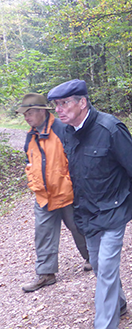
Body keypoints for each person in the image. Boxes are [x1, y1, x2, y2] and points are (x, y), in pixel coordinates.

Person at [47, 79, 132, 329]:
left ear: (82, 102)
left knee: (106, 272)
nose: (59, 109)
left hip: (113, 211)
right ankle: (120, 303)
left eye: (64, 103)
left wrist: (127, 200)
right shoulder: (67, 131)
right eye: (56, 104)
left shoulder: (110, 128)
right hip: (87, 213)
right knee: (100, 266)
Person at [16, 93, 91, 293]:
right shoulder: (31, 135)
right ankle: (45, 274)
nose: (26, 117)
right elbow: (29, 162)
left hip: (67, 193)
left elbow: (77, 158)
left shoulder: (62, 129)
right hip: (43, 195)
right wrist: (33, 182)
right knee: (43, 233)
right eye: (24, 114)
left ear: (41, 111)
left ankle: (92, 258)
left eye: (29, 113)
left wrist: (72, 183)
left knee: (78, 227)